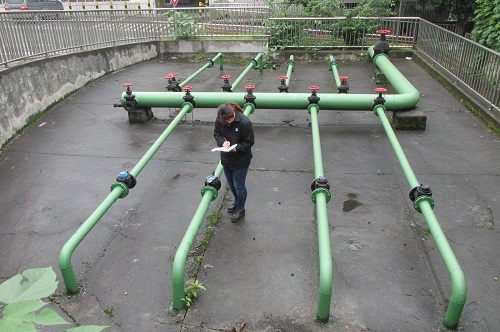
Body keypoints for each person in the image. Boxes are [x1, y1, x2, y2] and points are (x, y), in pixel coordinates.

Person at [213, 102, 255, 222]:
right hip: (226, 158)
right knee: (231, 184)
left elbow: (249, 142)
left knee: (239, 185)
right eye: (226, 120)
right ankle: (237, 202)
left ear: (234, 113)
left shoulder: (244, 123)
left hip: (240, 160)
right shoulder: (220, 120)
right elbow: (217, 133)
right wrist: (222, 143)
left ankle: (241, 209)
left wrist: (236, 148)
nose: (229, 122)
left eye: (231, 119)